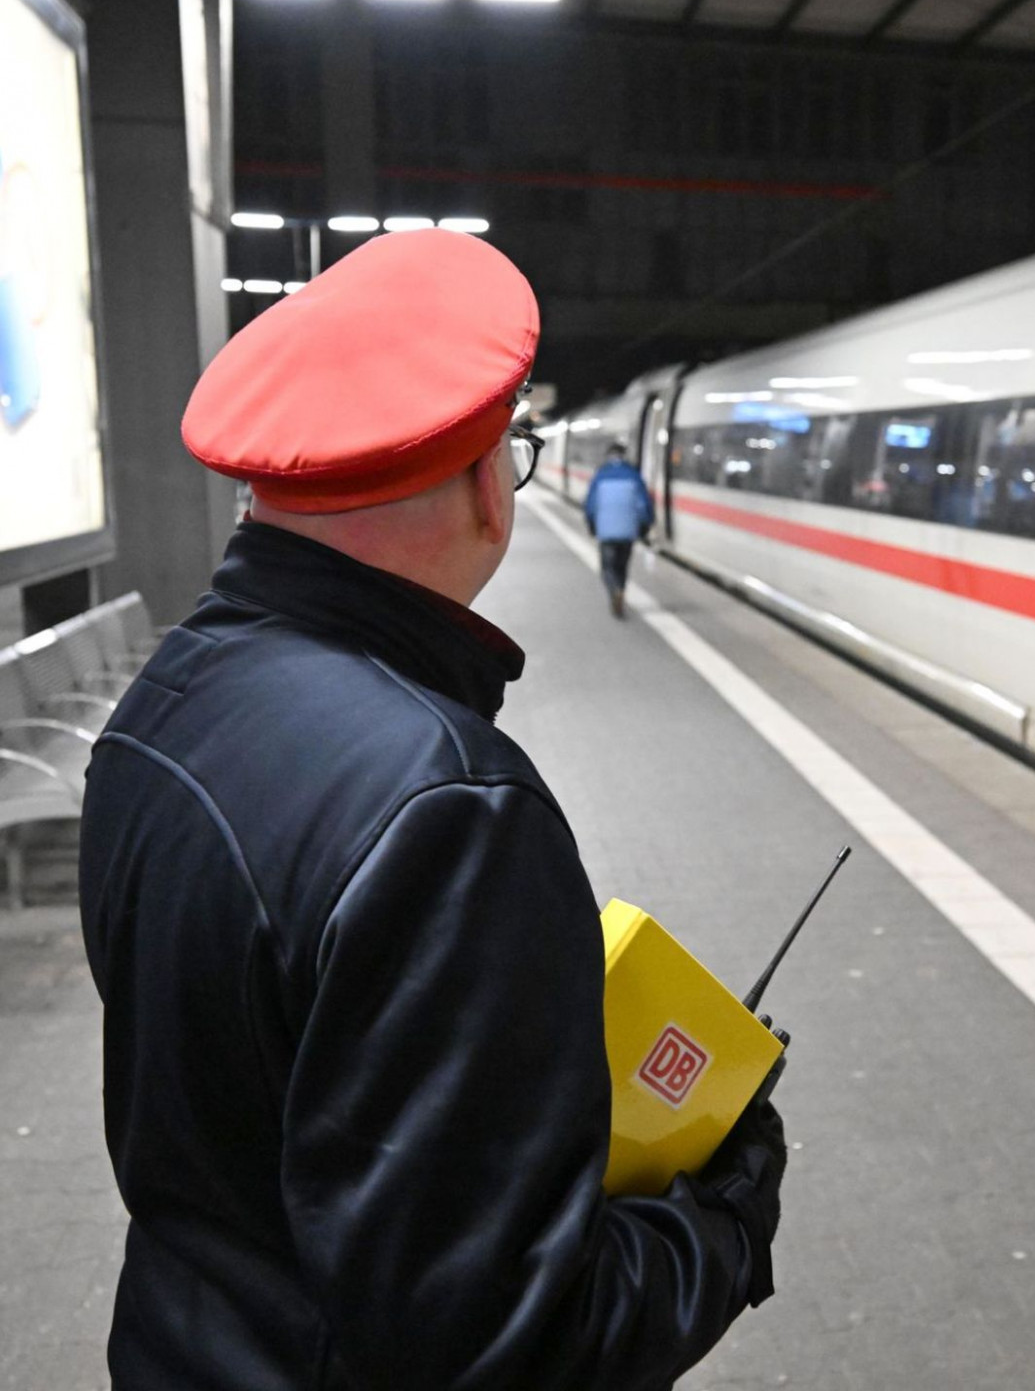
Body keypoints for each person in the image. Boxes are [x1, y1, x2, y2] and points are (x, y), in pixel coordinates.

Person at [78, 229, 786, 1390]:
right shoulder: (447, 805)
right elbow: (504, 1344)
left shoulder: (163, 705)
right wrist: (724, 1217)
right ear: (482, 483)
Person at [584, 441, 655, 617]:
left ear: (609, 455)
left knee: (607, 567)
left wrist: (591, 524)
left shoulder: (601, 475)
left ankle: (614, 591)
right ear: (624, 455)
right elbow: (643, 505)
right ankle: (622, 590)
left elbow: (591, 505)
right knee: (622, 566)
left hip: (606, 532)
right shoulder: (634, 475)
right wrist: (645, 526)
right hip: (628, 531)